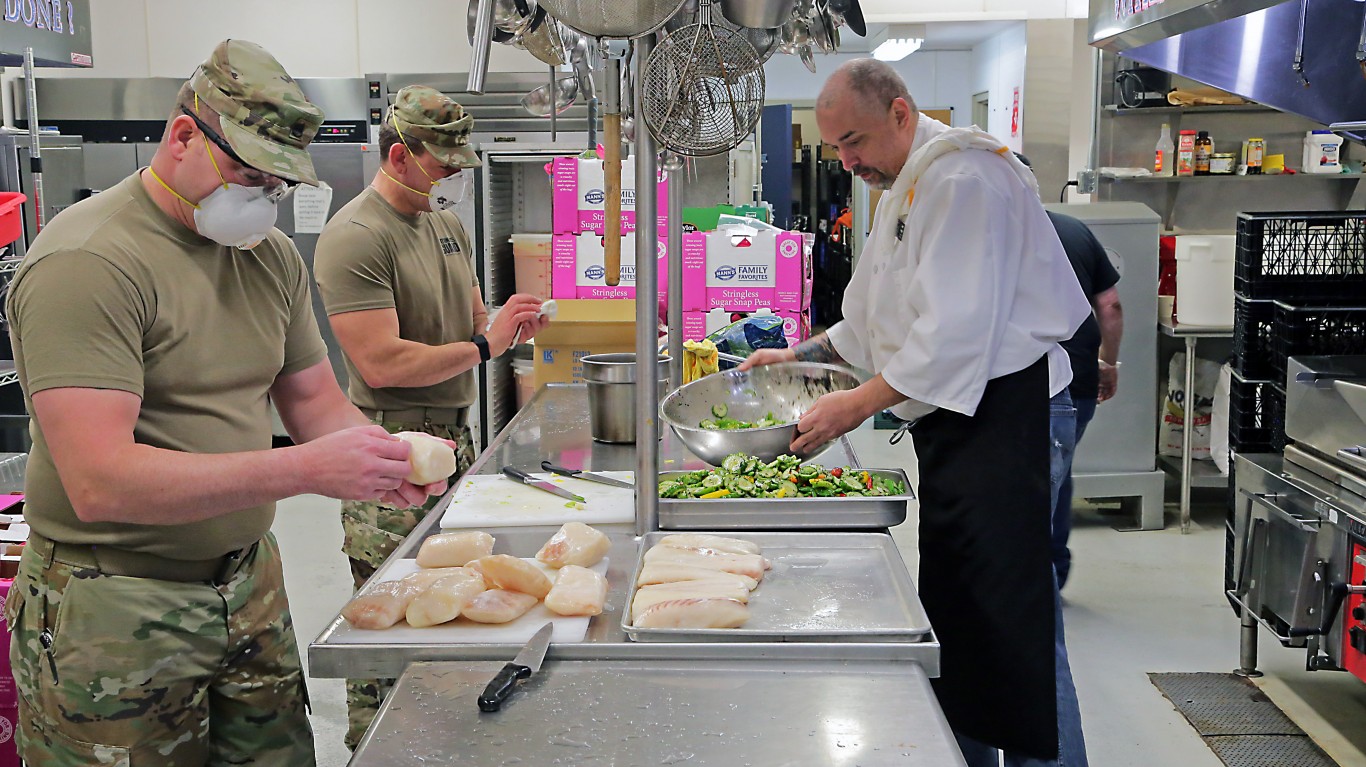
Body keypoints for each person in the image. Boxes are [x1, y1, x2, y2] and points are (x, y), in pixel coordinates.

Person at [3, 40, 450, 766]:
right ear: (182, 137)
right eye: (248, 175)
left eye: (277, 186)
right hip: (113, 602)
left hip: (247, 584)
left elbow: (315, 403)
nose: (262, 200)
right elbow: (98, 480)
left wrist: (383, 458)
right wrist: (304, 470)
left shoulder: (267, 258)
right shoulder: (88, 264)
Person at [742, 59, 1092, 766]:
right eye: (837, 145)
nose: (848, 161)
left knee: (1015, 626)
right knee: (962, 614)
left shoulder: (966, 180)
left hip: (1009, 420)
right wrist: (797, 358)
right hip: (961, 429)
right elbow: (873, 318)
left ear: (901, 112)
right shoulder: (909, 184)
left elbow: (951, 336)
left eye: (856, 141)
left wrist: (850, 408)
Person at [313, 84, 549, 749]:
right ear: (398, 154)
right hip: (388, 445)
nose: (453, 178)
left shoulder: (444, 224)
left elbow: (476, 318)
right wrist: (483, 346)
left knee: (448, 597)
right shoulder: (354, 237)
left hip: (453, 437)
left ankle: (439, 743)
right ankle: (373, 745)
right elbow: (381, 361)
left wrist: (512, 326)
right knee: (387, 610)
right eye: (443, 165)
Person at [1046, 210, 1123, 589]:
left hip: (1028, 381)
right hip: (1080, 376)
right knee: (1058, 471)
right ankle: (1055, 569)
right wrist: (1108, 362)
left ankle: (1041, 575)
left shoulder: (1002, 231)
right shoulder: (1075, 229)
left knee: (1039, 478)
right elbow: (1109, 305)